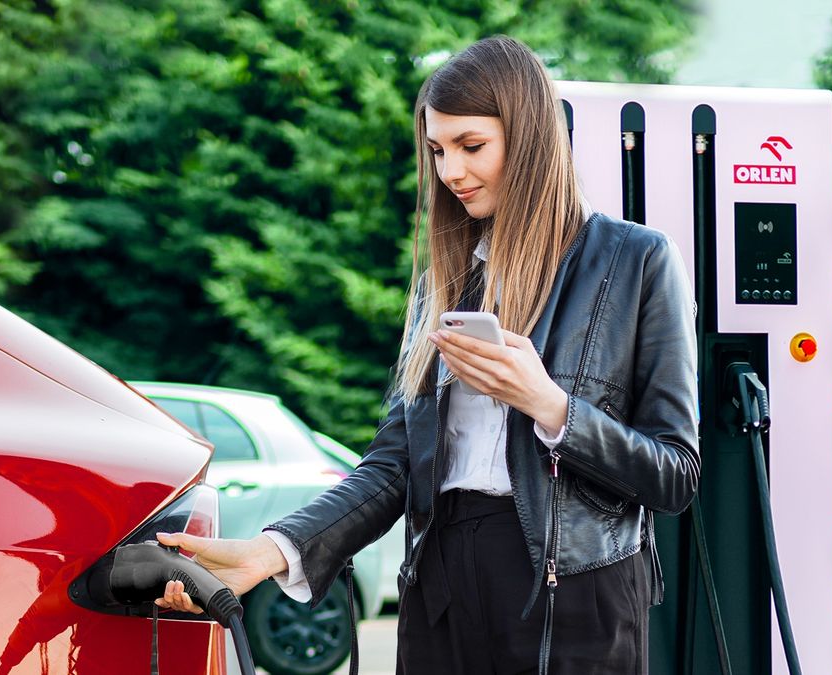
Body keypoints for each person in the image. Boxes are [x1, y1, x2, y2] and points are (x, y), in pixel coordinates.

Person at [154, 35, 699, 674]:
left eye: (471, 146)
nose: (450, 172)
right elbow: (393, 465)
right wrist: (273, 550)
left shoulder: (636, 261)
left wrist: (549, 405)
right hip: (441, 583)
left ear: (530, 139)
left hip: (576, 596)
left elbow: (675, 474)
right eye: (438, 150)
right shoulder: (445, 282)